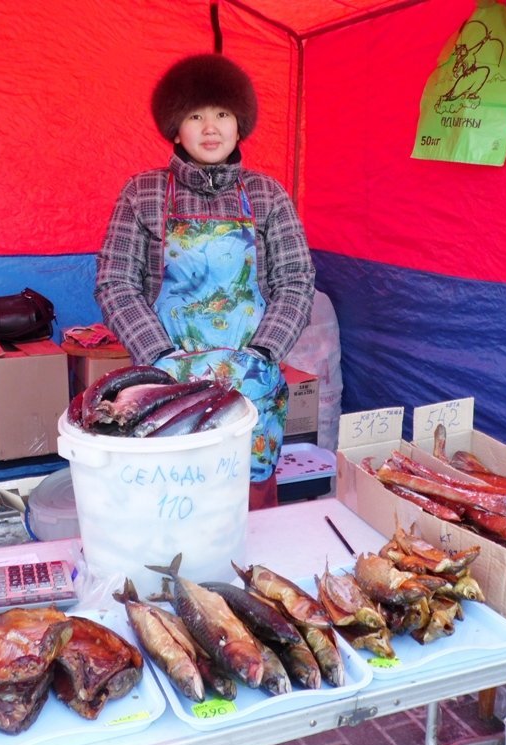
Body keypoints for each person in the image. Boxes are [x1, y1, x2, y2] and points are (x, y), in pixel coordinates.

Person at [94, 53, 316, 509]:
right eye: (195, 116)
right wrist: (158, 357)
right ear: (176, 128)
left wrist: (264, 353)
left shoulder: (268, 195)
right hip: (167, 384)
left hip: (251, 385)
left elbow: (296, 280)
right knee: (173, 501)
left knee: (249, 504)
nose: (210, 127)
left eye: (222, 114)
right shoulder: (143, 193)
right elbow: (115, 283)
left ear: (239, 125)